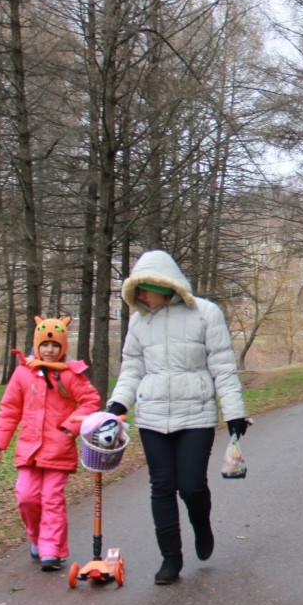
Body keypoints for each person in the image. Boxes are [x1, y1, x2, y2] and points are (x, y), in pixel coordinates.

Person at [106, 250, 249, 585]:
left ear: (163, 284)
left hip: (196, 415)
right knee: (162, 487)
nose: (140, 296)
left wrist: (234, 412)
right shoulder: (139, 321)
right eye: (136, 290)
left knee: (192, 485)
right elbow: (131, 370)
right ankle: (171, 558)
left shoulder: (205, 313)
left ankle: (201, 523)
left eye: (144, 288)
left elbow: (223, 367)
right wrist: (116, 406)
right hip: (152, 417)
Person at [0, 316, 102, 571]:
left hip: (58, 449)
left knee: (52, 498)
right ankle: (36, 539)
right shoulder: (23, 374)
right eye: (45, 345)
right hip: (29, 449)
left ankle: (52, 551)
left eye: (55, 346)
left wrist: (70, 427)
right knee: (26, 497)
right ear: (37, 345)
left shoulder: (70, 375)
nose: (50, 350)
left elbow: (91, 401)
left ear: (62, 348)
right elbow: (9, 409)